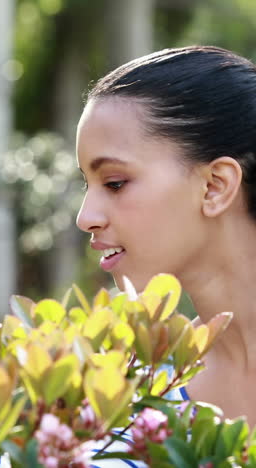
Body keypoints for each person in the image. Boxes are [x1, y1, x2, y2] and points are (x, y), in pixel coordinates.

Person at [76, 45, 256, 432]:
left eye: (115, 183)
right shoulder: (116, 398)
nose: (85, 218)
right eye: (86, 185)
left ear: (215, 186)